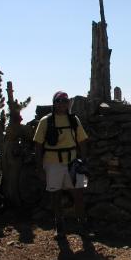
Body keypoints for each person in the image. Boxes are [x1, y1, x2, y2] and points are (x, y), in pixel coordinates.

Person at [33, 91, 88, 238]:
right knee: (55, 195)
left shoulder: (73, 120)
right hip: (52, 163)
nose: (62, 103)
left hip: (72, 162)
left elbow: (82, 141)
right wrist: (39, 168)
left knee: (78, 194)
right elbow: (38, 145)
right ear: (54, 103)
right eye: (58, 101)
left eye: (65, 101)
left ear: (68, 103)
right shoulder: (46, 121)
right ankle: (59, 225)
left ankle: (82, 224)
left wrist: (84, 160)